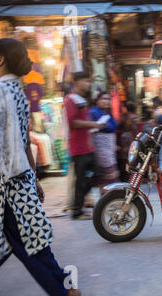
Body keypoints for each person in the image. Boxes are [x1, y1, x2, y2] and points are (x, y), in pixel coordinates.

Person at [0, 38, 84, 296]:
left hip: (6, 185)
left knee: (27, 243)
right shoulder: (17, 91)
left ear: (0, 59)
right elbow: (24, 142)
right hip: (18, 181)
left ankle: (63, 292)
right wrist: (33, 178)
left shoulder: (0, 90)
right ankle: (63, 291)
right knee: (29, 241)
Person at [64, 72, 105, 220]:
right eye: (85, 81)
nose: (88, 84)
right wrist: (94, 124)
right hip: (78, 146)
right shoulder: (70, 99)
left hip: (88, 146)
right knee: (81, 179)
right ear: (76, 82)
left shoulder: (82, 99)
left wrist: (93, 128)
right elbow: (73, 122)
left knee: (98, 174)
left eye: (89, 81)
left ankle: (78, 203)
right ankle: (77, 210)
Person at [89, 91, 120, 192]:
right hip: (101, 146)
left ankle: (109, 198)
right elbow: (91, 130)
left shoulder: (108, 113)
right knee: (108, 172)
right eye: (103, 99)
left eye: (108, 99)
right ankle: (107, 198)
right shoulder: (93, 112)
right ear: (97, 101)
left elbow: (113, 126)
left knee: (110, 173)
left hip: (109, 147)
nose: (106, 101)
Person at [117, 101, 138, 182]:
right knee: (130, 157)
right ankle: (130, 177)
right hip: (130, 137)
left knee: (123, 158)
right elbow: (134, 129)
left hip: (123, 137)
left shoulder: (123, 116)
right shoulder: (134, 117)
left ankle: (124, 176)